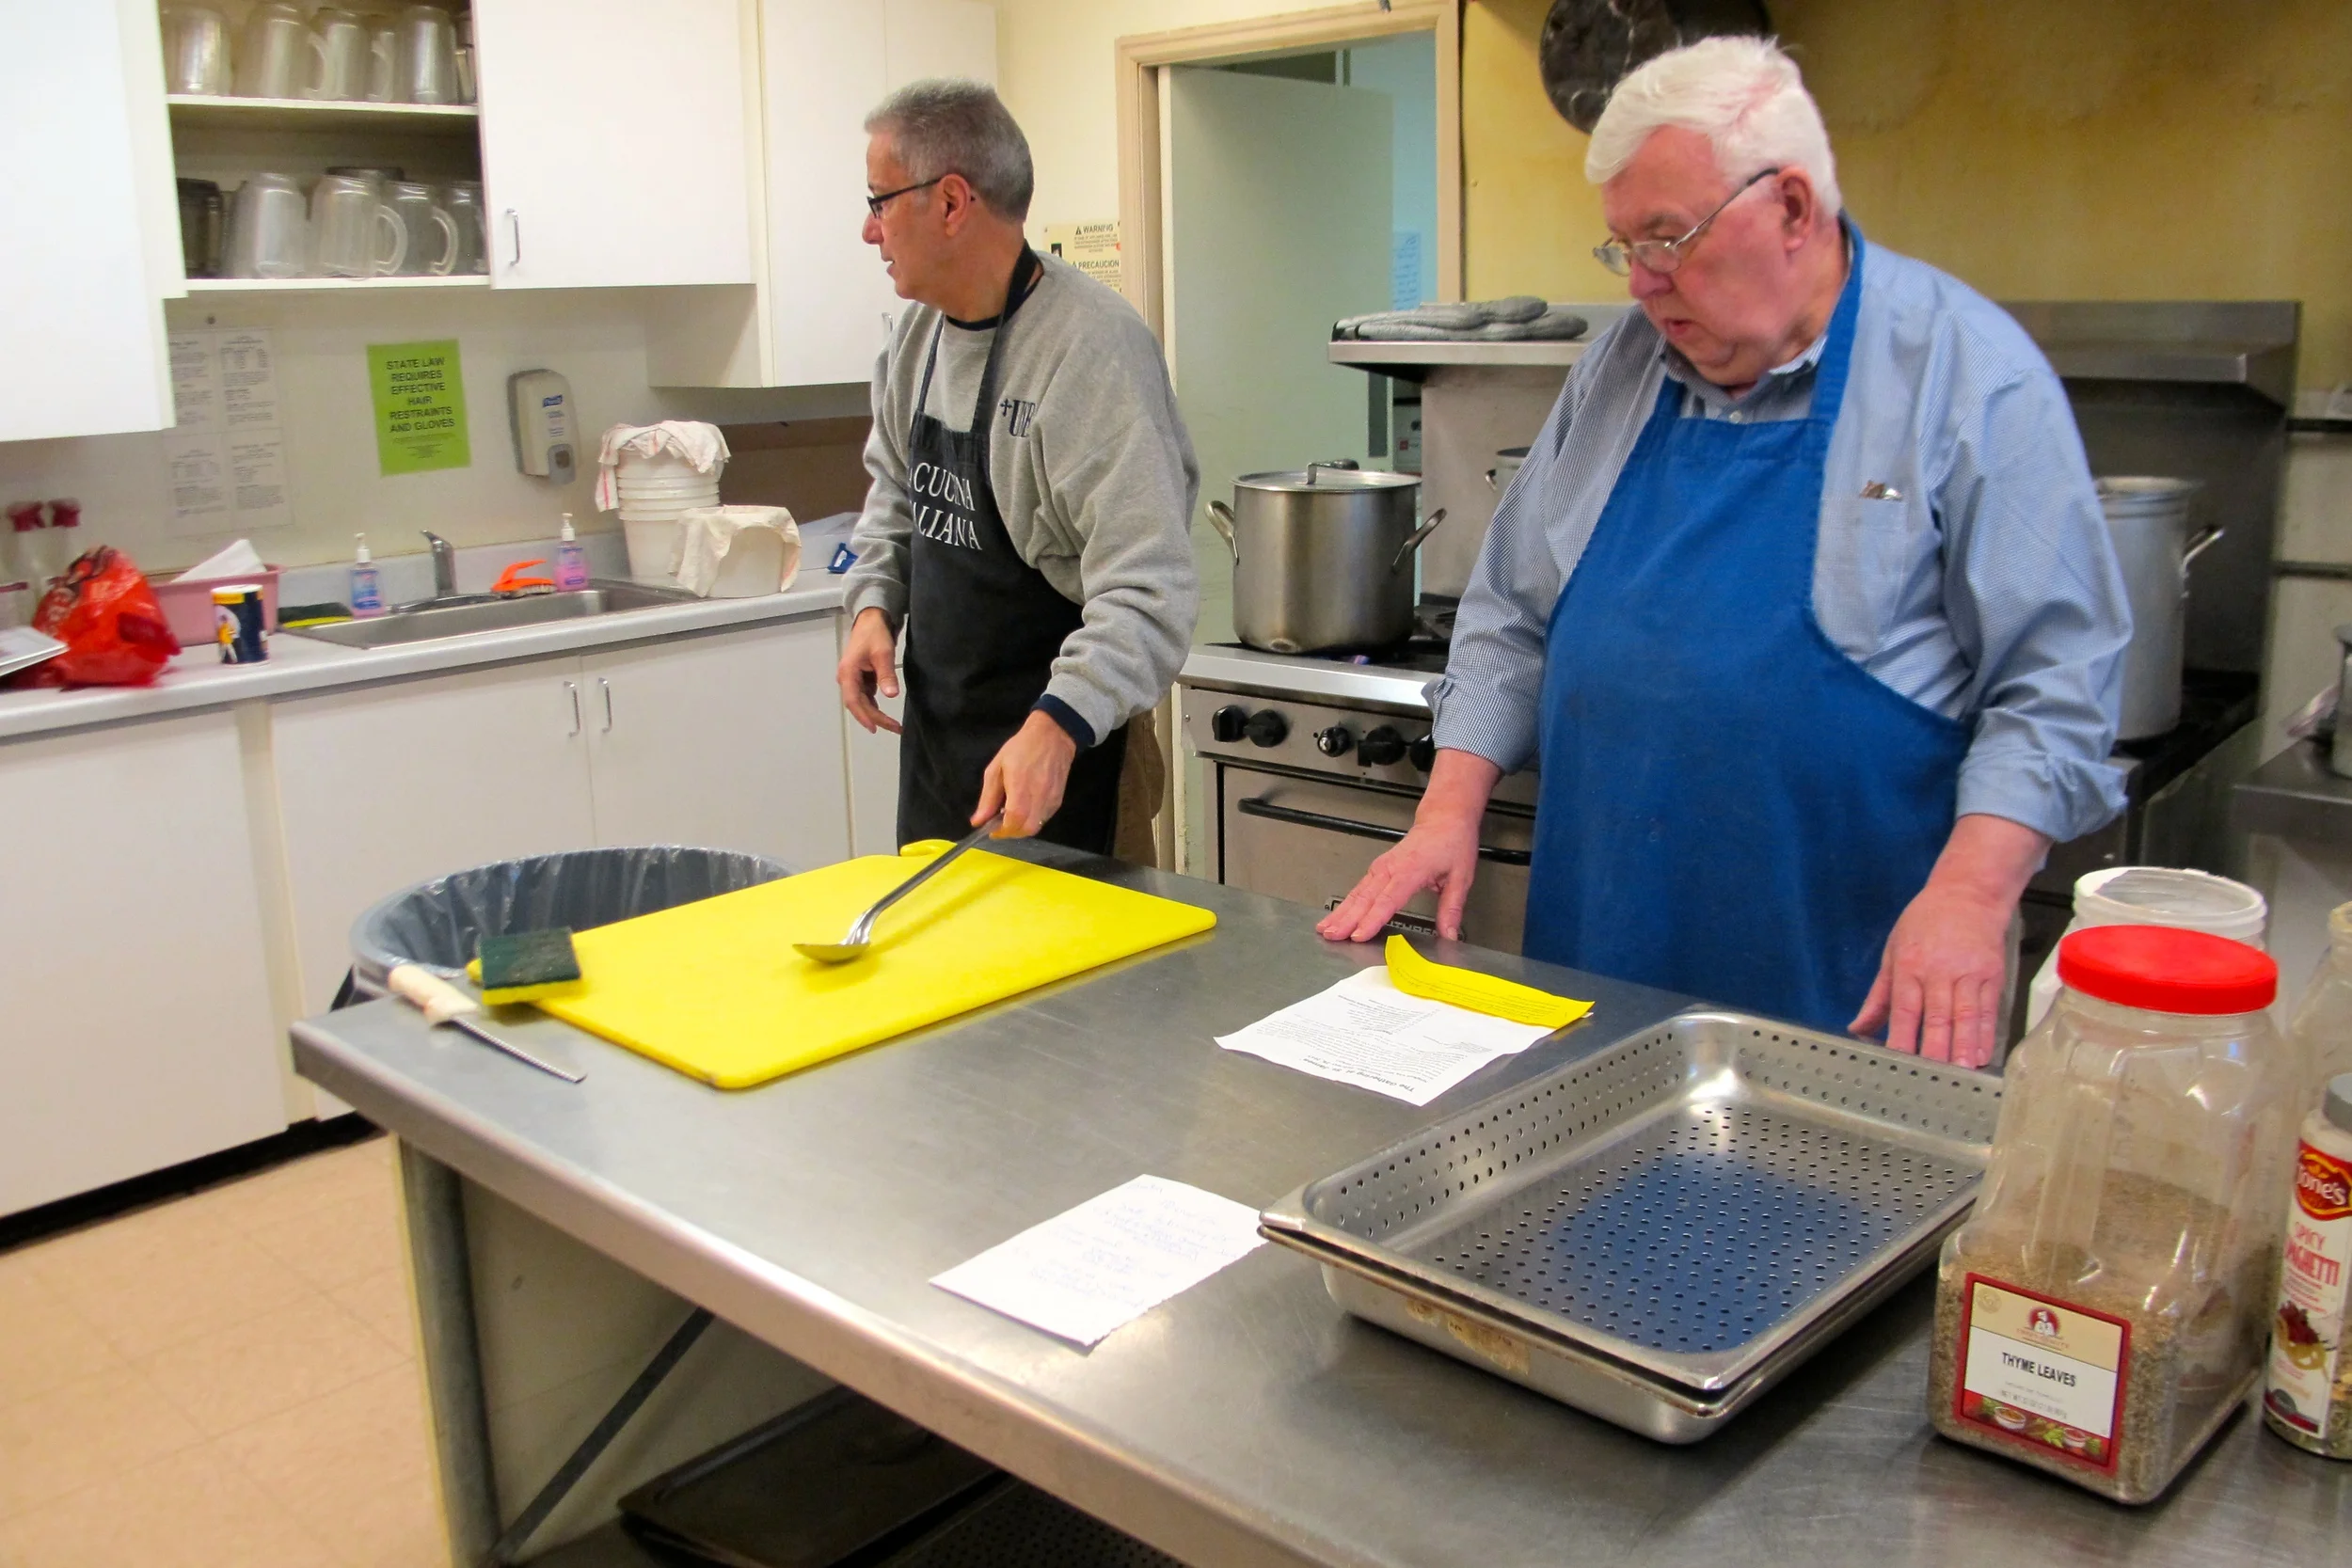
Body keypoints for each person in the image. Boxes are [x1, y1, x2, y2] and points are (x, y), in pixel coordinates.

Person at [1319, 38, 2132, 1070]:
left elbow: (2057, 689)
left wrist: (1973, 893)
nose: (1644, 284)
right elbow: (1510, 615)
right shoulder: (1617, 369)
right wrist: (1448, 809)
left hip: (1850, 993)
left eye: (1668, 239)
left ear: (1790, 207)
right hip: (1601, 964)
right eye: (1623, 248)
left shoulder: (1967, 376)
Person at [837, 79, 1200, 853]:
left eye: (879, 202)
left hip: (1071, 759)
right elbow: (896, 492)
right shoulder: (915, 340)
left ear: (951, 201)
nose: (869, 231)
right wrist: (874, 605)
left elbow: (1151, 588)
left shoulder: (1090, 352)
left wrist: (1060, 722)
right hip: (943, 759)